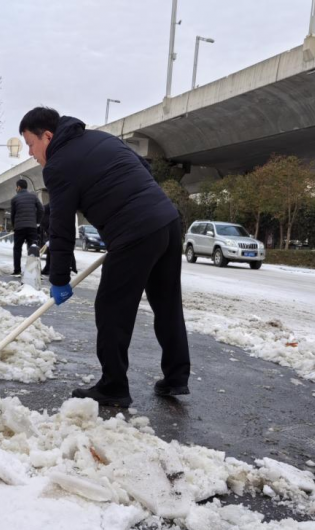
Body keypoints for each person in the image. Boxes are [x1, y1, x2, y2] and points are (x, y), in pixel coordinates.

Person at [19, 106, 190, 408]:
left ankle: (114, 387)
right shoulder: (102, 138)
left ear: (47, 136)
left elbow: (61, 230)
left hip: (134, 231)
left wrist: (58, 278)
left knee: (111, 309)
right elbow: (143, 169)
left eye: (31, 144)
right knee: (167, 303)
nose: (31, 153)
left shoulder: (58, 166)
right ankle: (176, 378)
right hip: (166, 220)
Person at [9, 179, 44, 275]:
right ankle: (33, 272)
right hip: (32, 227)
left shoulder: (14, 199)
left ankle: (17, 270)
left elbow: (13, 215)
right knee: (33, 248)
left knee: (17, 248)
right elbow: (41, 209)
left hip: (19, 227)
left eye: (16, 187)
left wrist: (14, 226)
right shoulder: (33, 197)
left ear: (19, 187)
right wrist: (36, 222)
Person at [39, 202, 77, 276]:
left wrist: (50, 237)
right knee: (63, 249)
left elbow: (49, 226)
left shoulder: (45, 215)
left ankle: (70, 268)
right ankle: (70, 267)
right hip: (62, 228)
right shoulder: (51, 209)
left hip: (59, 229)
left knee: (61, 249)